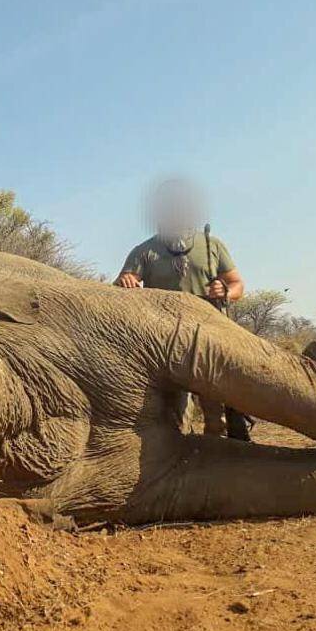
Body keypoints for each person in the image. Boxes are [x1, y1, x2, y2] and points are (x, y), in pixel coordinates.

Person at [115, 178, 246, 438]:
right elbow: (120, 288)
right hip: (167, 345)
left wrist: (225, 292)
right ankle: (183, 469)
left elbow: (238, 284)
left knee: (216, 418)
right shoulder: (144, 251)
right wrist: (125, 282)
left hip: (209, 340)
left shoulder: (212, 245)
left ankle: (217, 467)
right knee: (176, 420)